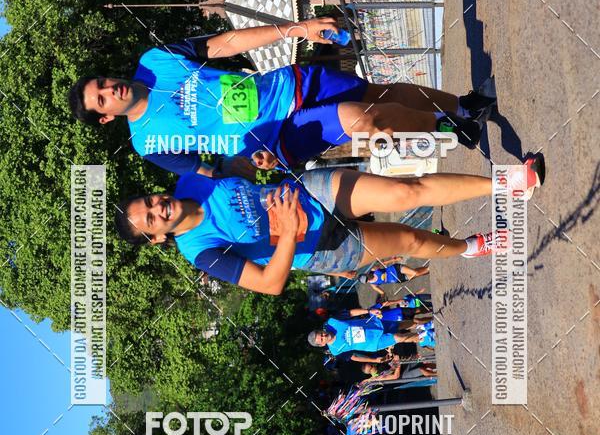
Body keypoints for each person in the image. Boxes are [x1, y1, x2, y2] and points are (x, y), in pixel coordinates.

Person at [68, 17, 496, 177]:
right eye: (101, 100)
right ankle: (449, 129)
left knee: (379, 93)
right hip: (276, 139)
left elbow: (227, 42)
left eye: (102, 83)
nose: (110, 90)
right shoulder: (149, 144)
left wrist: (297, 30)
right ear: (106, 118)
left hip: (285, 84)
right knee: (368, 119)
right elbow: (211, 169)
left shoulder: (155, 60)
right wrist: (254, 165)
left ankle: (461, 106)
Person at [114, 160, 544, 294]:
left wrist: (260, 161)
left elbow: (239, 167)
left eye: (149, 201)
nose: (158, 208)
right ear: (157, 236)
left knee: (403, 193)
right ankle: (470, 247)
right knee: (411, 239)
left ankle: (509, 182)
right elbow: (270, 283)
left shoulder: (191, 179)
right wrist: (283, 232)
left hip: (310, 191)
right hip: (321, 247)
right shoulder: (201, 252)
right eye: (151, 218)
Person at [308, 312, 422, 363]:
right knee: (399, 337)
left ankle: (427, 323)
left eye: (321, 333)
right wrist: (374, 360)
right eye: (321, 339)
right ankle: (424, 336)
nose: (324, 336)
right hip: (373, 343)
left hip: (374, 325)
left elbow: (350, 313)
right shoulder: (335, 351)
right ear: (322, 344)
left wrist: (368, 311)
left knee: (401, 325)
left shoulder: (331, 322)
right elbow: (354, 357)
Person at [356, 260, 429, 294]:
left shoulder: (373, 270)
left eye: (366, 278)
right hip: (398, 279)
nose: (368, 279)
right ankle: (427, 269)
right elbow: (382, 293)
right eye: (366, 281)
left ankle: (429, 268)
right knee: (417, 273)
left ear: (366, 274)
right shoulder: (373, 284)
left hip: (396, 269)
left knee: (415, 273)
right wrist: (383, 298)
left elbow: (382, 263)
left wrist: (394, 259)